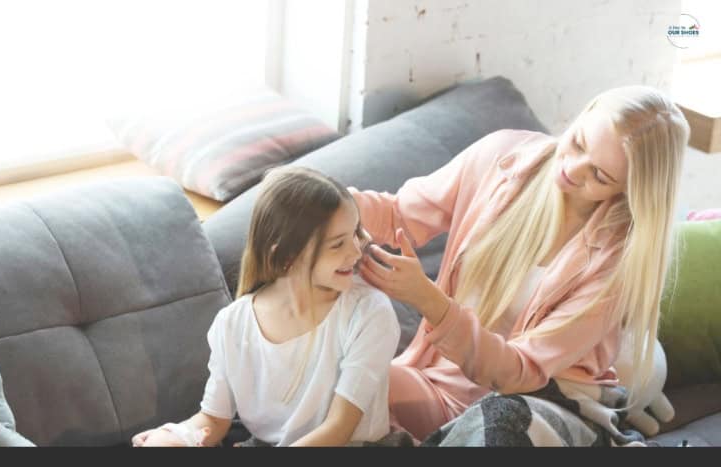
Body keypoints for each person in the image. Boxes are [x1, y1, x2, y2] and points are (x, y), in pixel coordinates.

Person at [352, 85, 689, 443]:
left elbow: (523, 372)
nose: (573, 170)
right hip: (441, 384)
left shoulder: (618, 262)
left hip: (533, 401)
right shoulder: (502, 157)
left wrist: (428, 300)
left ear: (631, 189)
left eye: (600, 176)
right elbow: (398, 214)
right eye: (577, 142)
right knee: (342, 385)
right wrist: (320, 201)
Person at [133, 166, 400, 447]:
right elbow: (213, 420)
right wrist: (172, 438)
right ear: (286, 256)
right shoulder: (233, 322)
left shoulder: (369, 312)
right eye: (337, 245)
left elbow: (338, 430)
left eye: (355, 234)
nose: (356, 251)